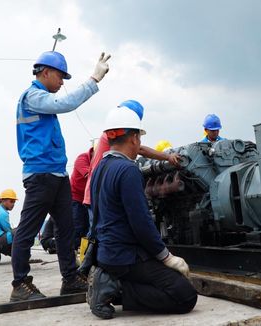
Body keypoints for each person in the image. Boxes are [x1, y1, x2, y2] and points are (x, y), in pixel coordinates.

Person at [11, 50, 111, 302]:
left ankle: (70, 279)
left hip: (56, 174)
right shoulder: (32, 96)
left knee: (67, 230)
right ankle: (20, 284)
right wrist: (94, 80)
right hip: (41, 175)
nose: (62, 82)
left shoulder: (40, 98)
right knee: (27, 230)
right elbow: (64, 104)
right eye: (60, 76)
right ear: (45, 73)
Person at [87, 102, 197, 319]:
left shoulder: (101, 167)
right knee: (185, 295)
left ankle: (110, 282)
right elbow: (141, 223)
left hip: (108, 253)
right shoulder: (128, 170)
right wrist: (166, 257)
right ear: (135, 138)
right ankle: (115, 287)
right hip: (125, 257)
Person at [82, 100, 181, 226]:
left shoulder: (109, 134)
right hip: (101, 192)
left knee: (102, 234)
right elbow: (140, 149)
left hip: (98, 190)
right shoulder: (113, 135)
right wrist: (168, 157)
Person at [70, 147, 94, 248]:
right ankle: (73, 253)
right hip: (76, 198)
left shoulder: (100, 160)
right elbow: (91, 176)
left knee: (88, 228)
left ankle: (84, 254)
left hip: (89, 199)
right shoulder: (82, 159)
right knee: (77, 226)